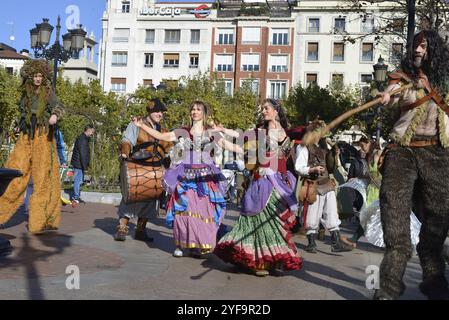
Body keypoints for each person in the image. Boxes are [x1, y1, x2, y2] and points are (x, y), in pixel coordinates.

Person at [374, 30, 449, 300]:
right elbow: (391, 91)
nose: (418, 50)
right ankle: (388, 289)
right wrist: (387, 95)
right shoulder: (402, 78)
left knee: (441, 215)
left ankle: (433, 276)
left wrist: (430, 88)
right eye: (416, 46)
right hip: (402, 151)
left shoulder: (446, 81)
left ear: (435, 52)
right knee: (394, 216)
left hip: (438, 153)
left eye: (424, 46)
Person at [134, 100, 243, 258]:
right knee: (183, 210)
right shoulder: (182, 131)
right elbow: (161, 135)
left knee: (202, 211)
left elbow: (228, 145)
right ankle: (181, 244)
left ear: (204, 113)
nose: (195, 112)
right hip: (185, 175)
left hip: (205, 177)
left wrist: (246, 149)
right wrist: (142, 126)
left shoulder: (211, 132)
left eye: (198, 109)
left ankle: (196, 245)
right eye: (192, 109)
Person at [214, 99, 302, 277]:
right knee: (256, 221)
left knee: (274, 223)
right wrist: (222, 131)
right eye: (262, 109)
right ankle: (257, 261)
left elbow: (302, 134)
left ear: (276, 111)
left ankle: (271, 259)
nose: (263, 111)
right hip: (262, 182)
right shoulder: (259, 131)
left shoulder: (285, 132)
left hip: (280, 183)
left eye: (266, 108)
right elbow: (241, 136)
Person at [0, 59, 64, 234]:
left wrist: (54, 116)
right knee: (13, 173)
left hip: (43, 137)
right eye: (35, 76)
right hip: (26, 137)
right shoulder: (26, 94)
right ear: (30, 77)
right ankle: (1, 214)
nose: (37, 79)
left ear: (44, 77)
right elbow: (23, 114)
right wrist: (18, 126)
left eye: (40, 76)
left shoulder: (48, 92)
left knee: (44, 179)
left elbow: (59, 106)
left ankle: (41, 221)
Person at [114, 98, 172, 242]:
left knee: (151, 199)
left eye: (162, 112)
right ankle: (122, 227)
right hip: (138, 165)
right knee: (131, 196)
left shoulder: (163, 131)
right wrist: (124, 153)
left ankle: (141, 230)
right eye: (158, 111)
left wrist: (172, 160)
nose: (160, 114)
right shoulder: (137, 124)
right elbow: (126, 140)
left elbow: (169, 148)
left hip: (155, 168)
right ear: (150, 110)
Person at [295, 120, 354, 253]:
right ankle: (311, 243)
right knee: (312, 215)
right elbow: (298, 168)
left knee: (332, 212)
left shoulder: (324, 146)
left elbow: (332, 167)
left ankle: (336, 242)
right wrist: (312, 169)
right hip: (312, 184)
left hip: (327, 183)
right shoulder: (303, 147)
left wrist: (334, 154)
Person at [70, 124, 95, 204]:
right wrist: (85, 167)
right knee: (78, 180)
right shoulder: (83, 139)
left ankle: (76, 197)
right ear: (89, 130)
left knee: (79, 180)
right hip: (79, 164)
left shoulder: (83, 138)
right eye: (92, 132)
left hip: (78, 163)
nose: (92, 134)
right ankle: (75, 197)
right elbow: (83, 154)